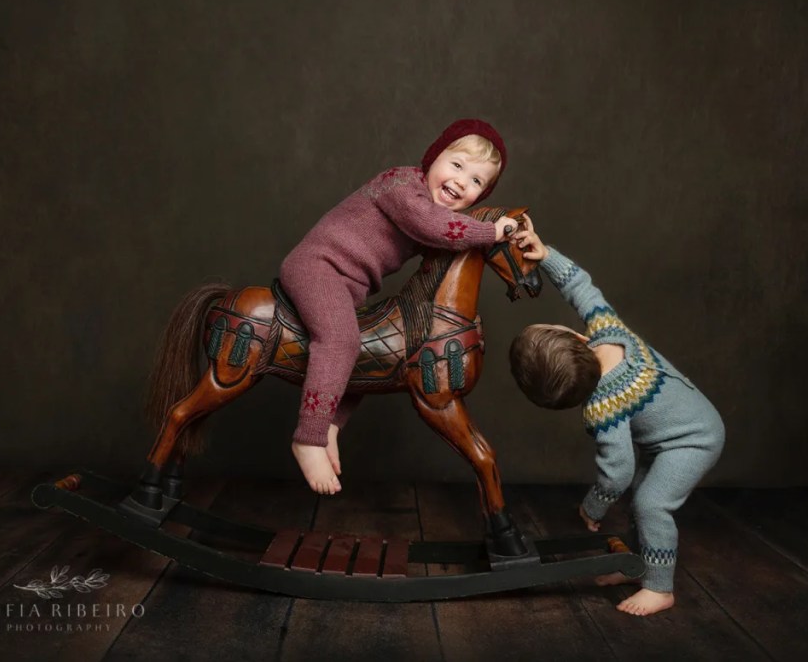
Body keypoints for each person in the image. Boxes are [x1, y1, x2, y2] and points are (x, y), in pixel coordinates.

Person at [280, 119, 518, 496]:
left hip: (346, 287)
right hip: (317, 266)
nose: (461, 182)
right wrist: (492, 231)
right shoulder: (402, 185)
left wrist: (521, 237)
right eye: (456, 165)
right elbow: (434, 227)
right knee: (340, 342)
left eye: (476, 182)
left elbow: (449, 241)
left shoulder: (436, 214)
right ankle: (307, 437)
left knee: (363, 354)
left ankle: (330, 426)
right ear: (433, 158)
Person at [508, 216, 725, 616]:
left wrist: (592, 507)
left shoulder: (601, 404)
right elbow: (581, 288)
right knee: (640, 501)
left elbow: (617, 472)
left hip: (695, 437)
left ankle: (661, 588)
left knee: (650, 504)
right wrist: (548, 255)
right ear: (576, 338)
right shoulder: (611, 333)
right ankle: (640, 566)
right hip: (681, 433)